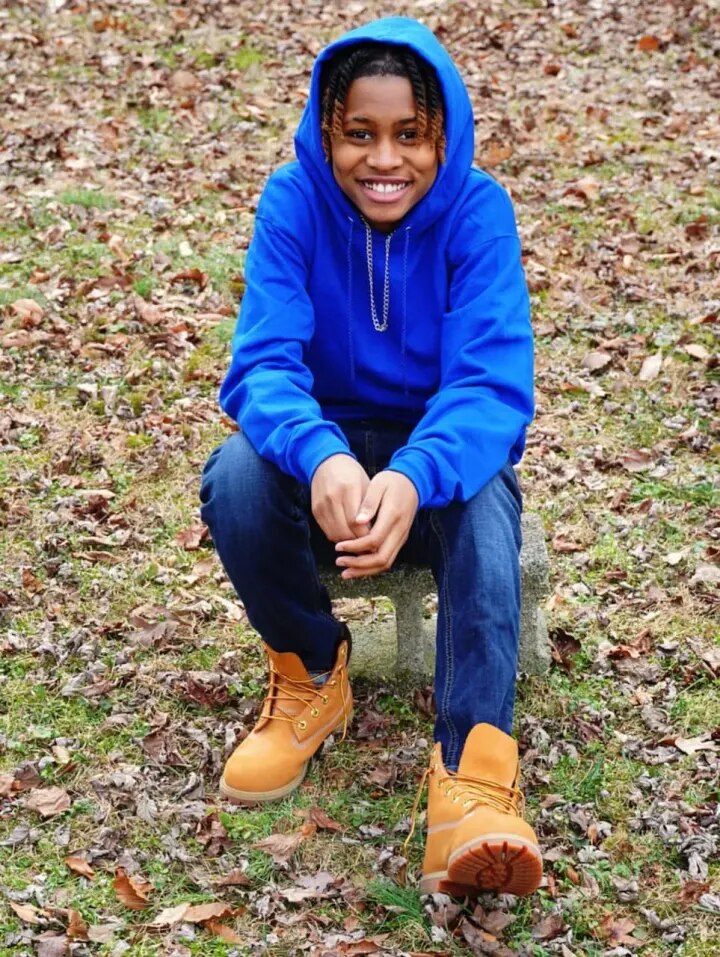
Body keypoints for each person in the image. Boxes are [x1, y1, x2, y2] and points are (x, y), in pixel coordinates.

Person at [200, 16, 542, 897]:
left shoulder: (477, 211)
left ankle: (474, 775)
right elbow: (263, 365)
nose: (384, 159)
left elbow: (489, 388)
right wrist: (320, 458)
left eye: (410, 135)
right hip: (332, 481)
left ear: (443, 136)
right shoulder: (293, 202)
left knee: (485, 506)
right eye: (361, 133)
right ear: (328, 131)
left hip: (432, 473)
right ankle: (312, 670)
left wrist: (411, 474)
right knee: (236, 476)